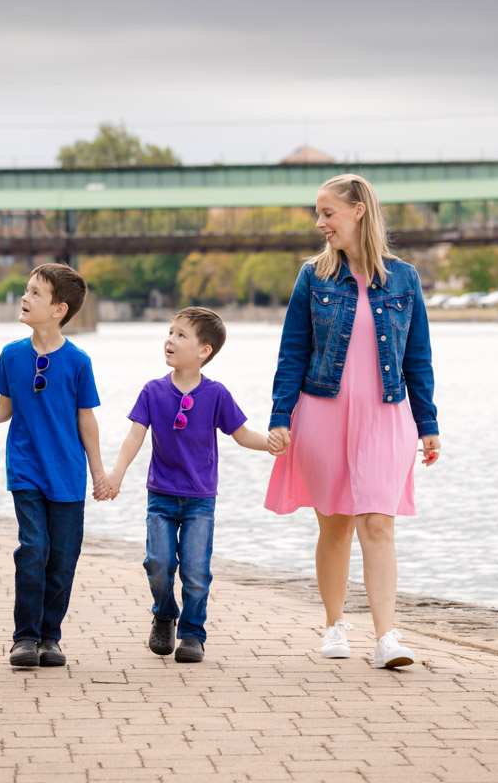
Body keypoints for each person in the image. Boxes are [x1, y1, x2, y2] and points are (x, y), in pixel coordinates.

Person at [264, 174, 441, 670]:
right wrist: (280, 417)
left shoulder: (404, 279)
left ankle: (387, 636)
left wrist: (428, 424)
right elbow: (292, 353)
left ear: (358, 211)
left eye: (328, 213)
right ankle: (335, 623)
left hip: (386, 416)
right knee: (336, 524)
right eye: (318, 214)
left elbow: (418, 358)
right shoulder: (312, 276)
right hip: (322, 412)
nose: (320, 223)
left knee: (378, 522)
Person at [0, 263, 107, 668]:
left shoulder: (78, 361)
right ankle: (25, 637)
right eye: (27, 290)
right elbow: (4, 409)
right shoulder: (11, 355)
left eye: (35, 293)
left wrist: (99, 472)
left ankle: (50, 637)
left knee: (63, 557)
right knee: (34, 549)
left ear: (59, 309)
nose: (25, 297)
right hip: (26, 470)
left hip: (69, 475)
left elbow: (86, 421)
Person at [104, 307, 272, 663]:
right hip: (161, 496)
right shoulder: (152, 391)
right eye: (170, 332)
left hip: (200, 500)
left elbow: (241, 435)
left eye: (181, 335)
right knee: (158, 563)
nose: (170, 339)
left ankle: (193, 634)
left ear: (203, 351)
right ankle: (164, 613)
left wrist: (272, 445)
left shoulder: (217, 394)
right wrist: (116, 473)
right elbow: (135, 435)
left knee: (196, 570)